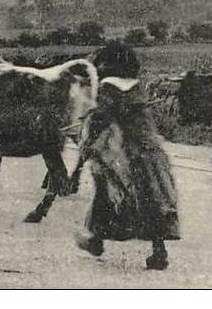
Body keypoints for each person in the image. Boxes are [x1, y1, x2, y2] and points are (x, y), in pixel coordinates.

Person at [75, 42, 181, 270]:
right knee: (153, 197)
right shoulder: (137, 87)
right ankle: (159, 250)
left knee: (107, 191)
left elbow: (100, 120)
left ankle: (96, 239)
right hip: (151, 151)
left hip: (122, 151)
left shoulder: (106, 87)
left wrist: (88, 141)